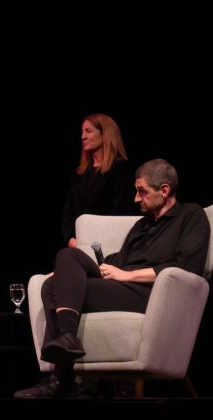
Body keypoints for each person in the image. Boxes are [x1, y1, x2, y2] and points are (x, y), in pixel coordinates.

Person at [15, 159, 211, 398]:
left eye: (142, 192)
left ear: (165, 190)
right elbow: (115, 263)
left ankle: (61, 379)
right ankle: (67, 342)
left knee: (54, 288)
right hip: (120, 286)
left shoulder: (191, 215)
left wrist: (128, 275)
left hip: (152, 295)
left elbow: (187, 267)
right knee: (63, 263)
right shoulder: (142, 225)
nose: (136, 199)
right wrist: (68, 274)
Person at [62, 113, 135, 248]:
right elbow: (68, 213)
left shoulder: (121, 168)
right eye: (82, 132)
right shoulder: (79, 173)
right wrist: (71, 239)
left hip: (107, 244)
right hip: (78, 243)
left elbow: (121, 211)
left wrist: (97, 239)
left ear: (105, 134)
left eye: (88, 131)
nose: (83, 137)